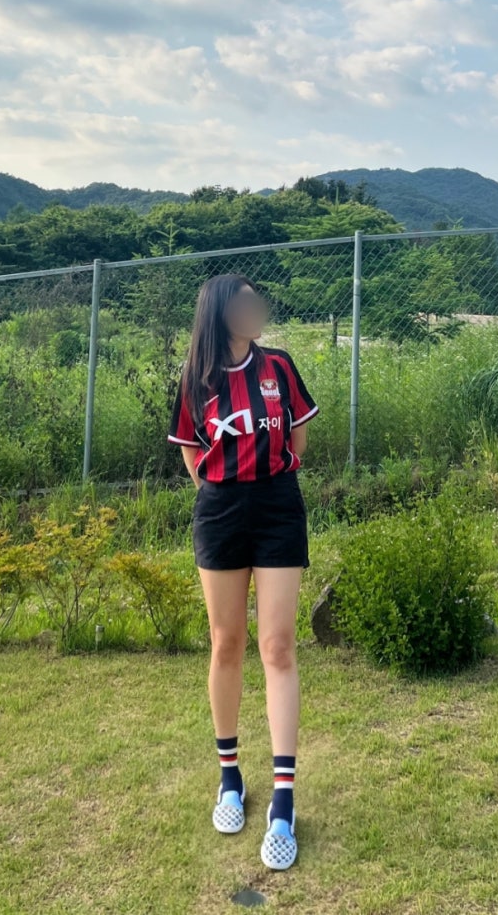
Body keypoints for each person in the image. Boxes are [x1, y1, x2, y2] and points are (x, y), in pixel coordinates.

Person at [167, 272, 319, 870]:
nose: (257, 310)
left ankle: (283, 799)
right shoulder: (195, 378)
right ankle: (230, 777)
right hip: (221, 511)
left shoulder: (279, 366)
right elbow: (192, 455)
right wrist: (226, 489)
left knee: (277, 646)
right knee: (226, 643)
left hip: (278, 508)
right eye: (246, 303)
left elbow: (298, 440)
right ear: (221, 313)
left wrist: (266, 480)